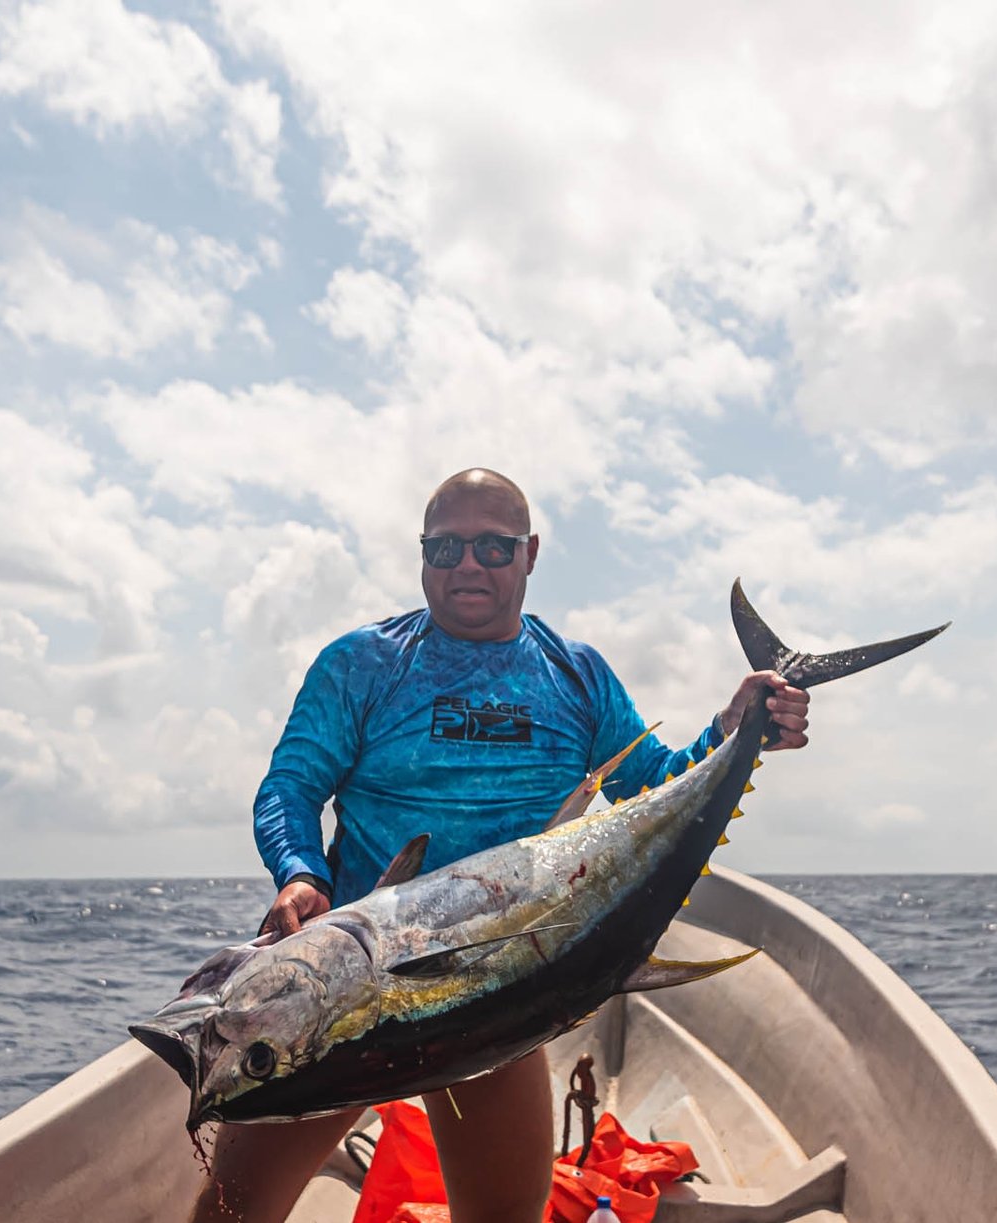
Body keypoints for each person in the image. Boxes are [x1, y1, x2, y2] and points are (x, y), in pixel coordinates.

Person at [190, 468, 812, 1223]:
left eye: (492, 545)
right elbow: (290, 785)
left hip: (497, 995)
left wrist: (733, 730)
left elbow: (653, 789)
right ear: (422, 555)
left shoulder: (576, 677)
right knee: (229, 1213)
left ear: (531, 553)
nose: (468, 565)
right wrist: (299, 873)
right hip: (347, 1000)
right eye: (445, 548)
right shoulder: (363, 664)